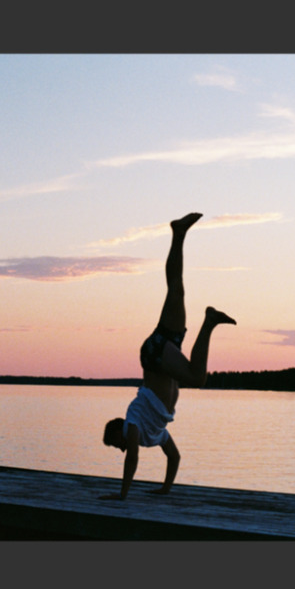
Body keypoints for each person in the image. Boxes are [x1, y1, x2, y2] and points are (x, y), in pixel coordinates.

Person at [100, 212, 235, 500]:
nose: (120, 448)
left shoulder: (134, 420)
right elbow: (174, 458)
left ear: (119, 432)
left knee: (198, 378)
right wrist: (165, 489)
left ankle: (209, 322)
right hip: (164, 357)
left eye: (115, 444)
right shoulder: (155, 432)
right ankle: (179, 233)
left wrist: (122, 495)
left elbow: (132, 458)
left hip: (155, 355)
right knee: (177, 289)